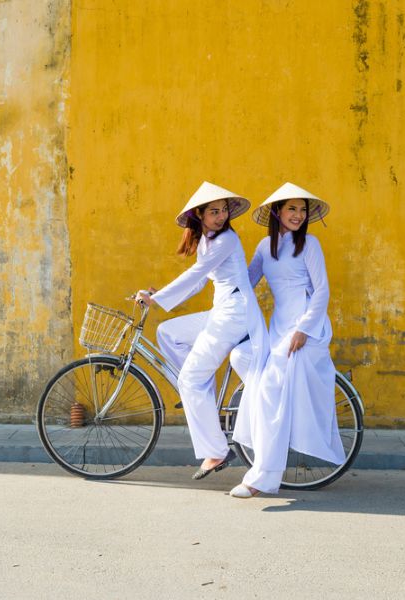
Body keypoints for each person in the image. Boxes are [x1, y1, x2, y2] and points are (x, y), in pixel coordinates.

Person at [138, 182, 268, 480]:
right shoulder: (209, 241)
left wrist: (156, 299)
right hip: (222, 311)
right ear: (200, 215)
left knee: (191, 380)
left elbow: (195, 274)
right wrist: (162, 296)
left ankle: (217, 450)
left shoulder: (227, 240)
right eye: (214, 212)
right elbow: (199, 281)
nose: (221, 216)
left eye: (223, 211)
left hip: (234, 314)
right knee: (168, 333)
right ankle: (199, 393)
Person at [229, 183, 347, 498]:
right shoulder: (263, 249)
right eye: (291, 208)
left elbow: (322, 291)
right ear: (277, 212)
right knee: (241, 358)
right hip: (278, 327)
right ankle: (273, 423)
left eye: (302, 209)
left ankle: (262, 478)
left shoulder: (310, 244)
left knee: (269, 385)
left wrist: (304, 329)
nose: (298, 214)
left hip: (306, 326)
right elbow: (246, 282)